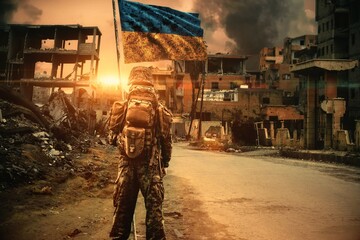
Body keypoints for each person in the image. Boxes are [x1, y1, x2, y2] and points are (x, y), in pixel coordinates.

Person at [108, 66, 172, 240]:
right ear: (150, 81)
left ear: (131, 79)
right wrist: (165, 162)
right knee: (154, 213)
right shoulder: (159, 108)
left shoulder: (123, 105)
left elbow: (111, 138)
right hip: (150, 167)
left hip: (126, 167)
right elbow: (166, 140)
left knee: (122, 211)